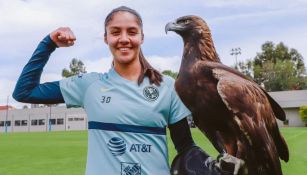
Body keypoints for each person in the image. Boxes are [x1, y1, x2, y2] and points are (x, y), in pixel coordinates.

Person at [13, 6, 242, 175]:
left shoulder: (167, 87)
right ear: (106, 38)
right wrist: (48, 43)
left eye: (131, 32)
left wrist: (211, 168)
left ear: (141, 37)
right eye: (115, 32)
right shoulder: (88, 85)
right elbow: (25, 91)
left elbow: (184, 144)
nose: (124, 39)